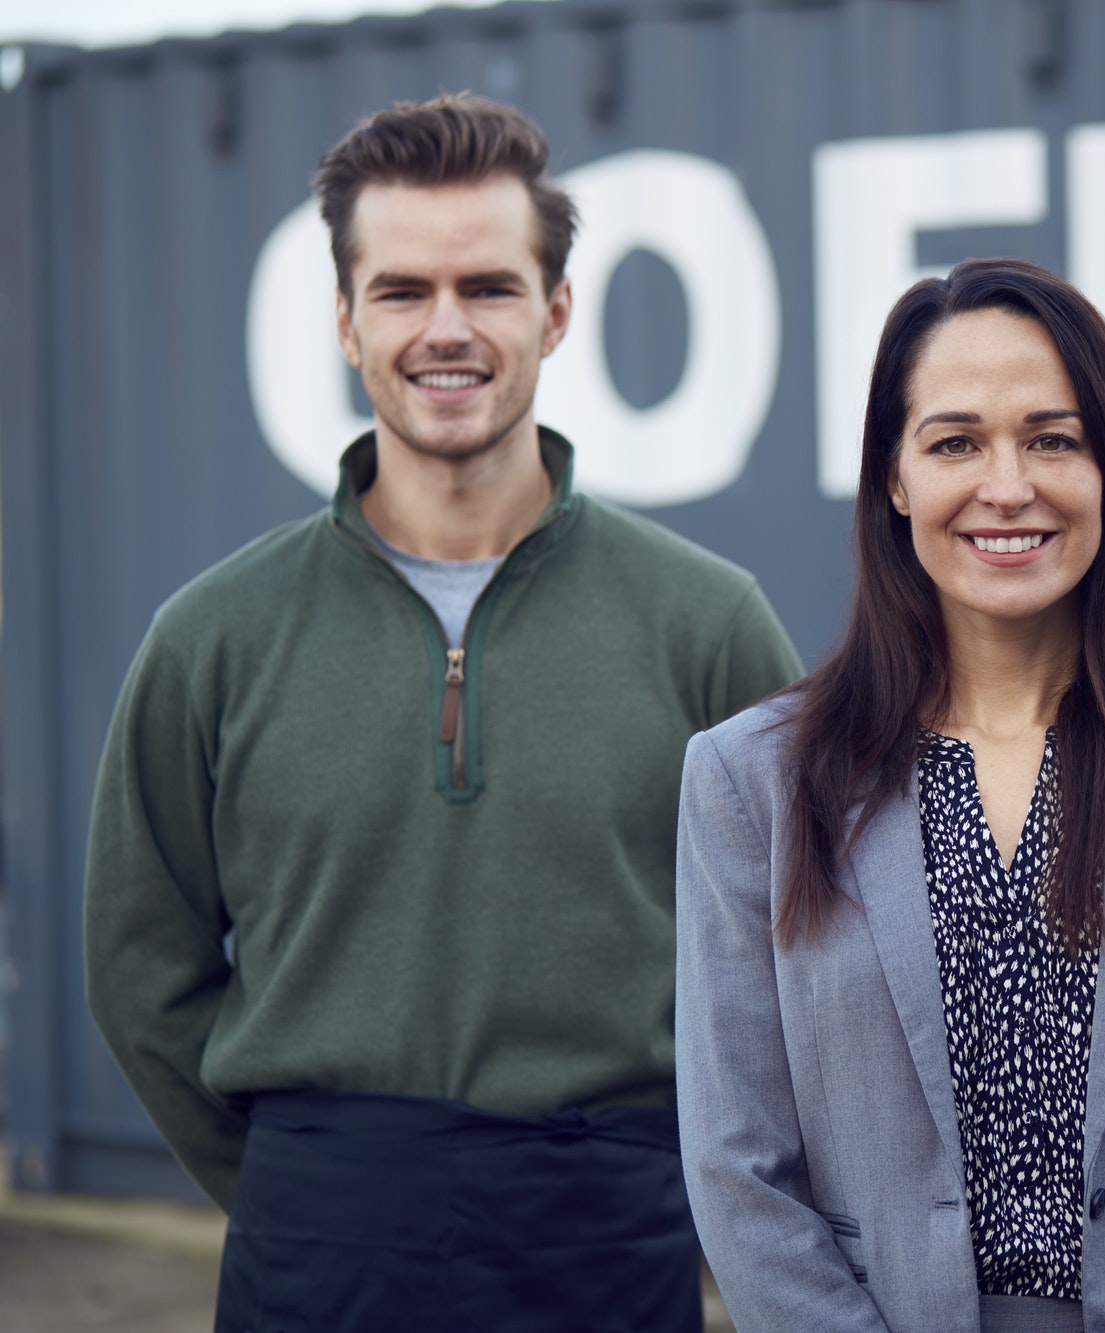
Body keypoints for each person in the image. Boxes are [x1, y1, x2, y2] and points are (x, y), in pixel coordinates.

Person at [83, 93, 801, 1331]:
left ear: (557, 310)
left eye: (489, 287)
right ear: (347, 322)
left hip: (609, 1242)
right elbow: (139, 968)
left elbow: (804, 955)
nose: (446, 329)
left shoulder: (706, 624)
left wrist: (696, 1192)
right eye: (404, 291)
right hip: (315, 1241)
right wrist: (296, 1180)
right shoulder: (211, 639)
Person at [674, 257, 1105, 1333]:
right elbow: (735, 1160)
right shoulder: (752, 781)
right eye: (954, 442)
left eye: (1050, 438)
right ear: (893, 479)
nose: (1006, 484)